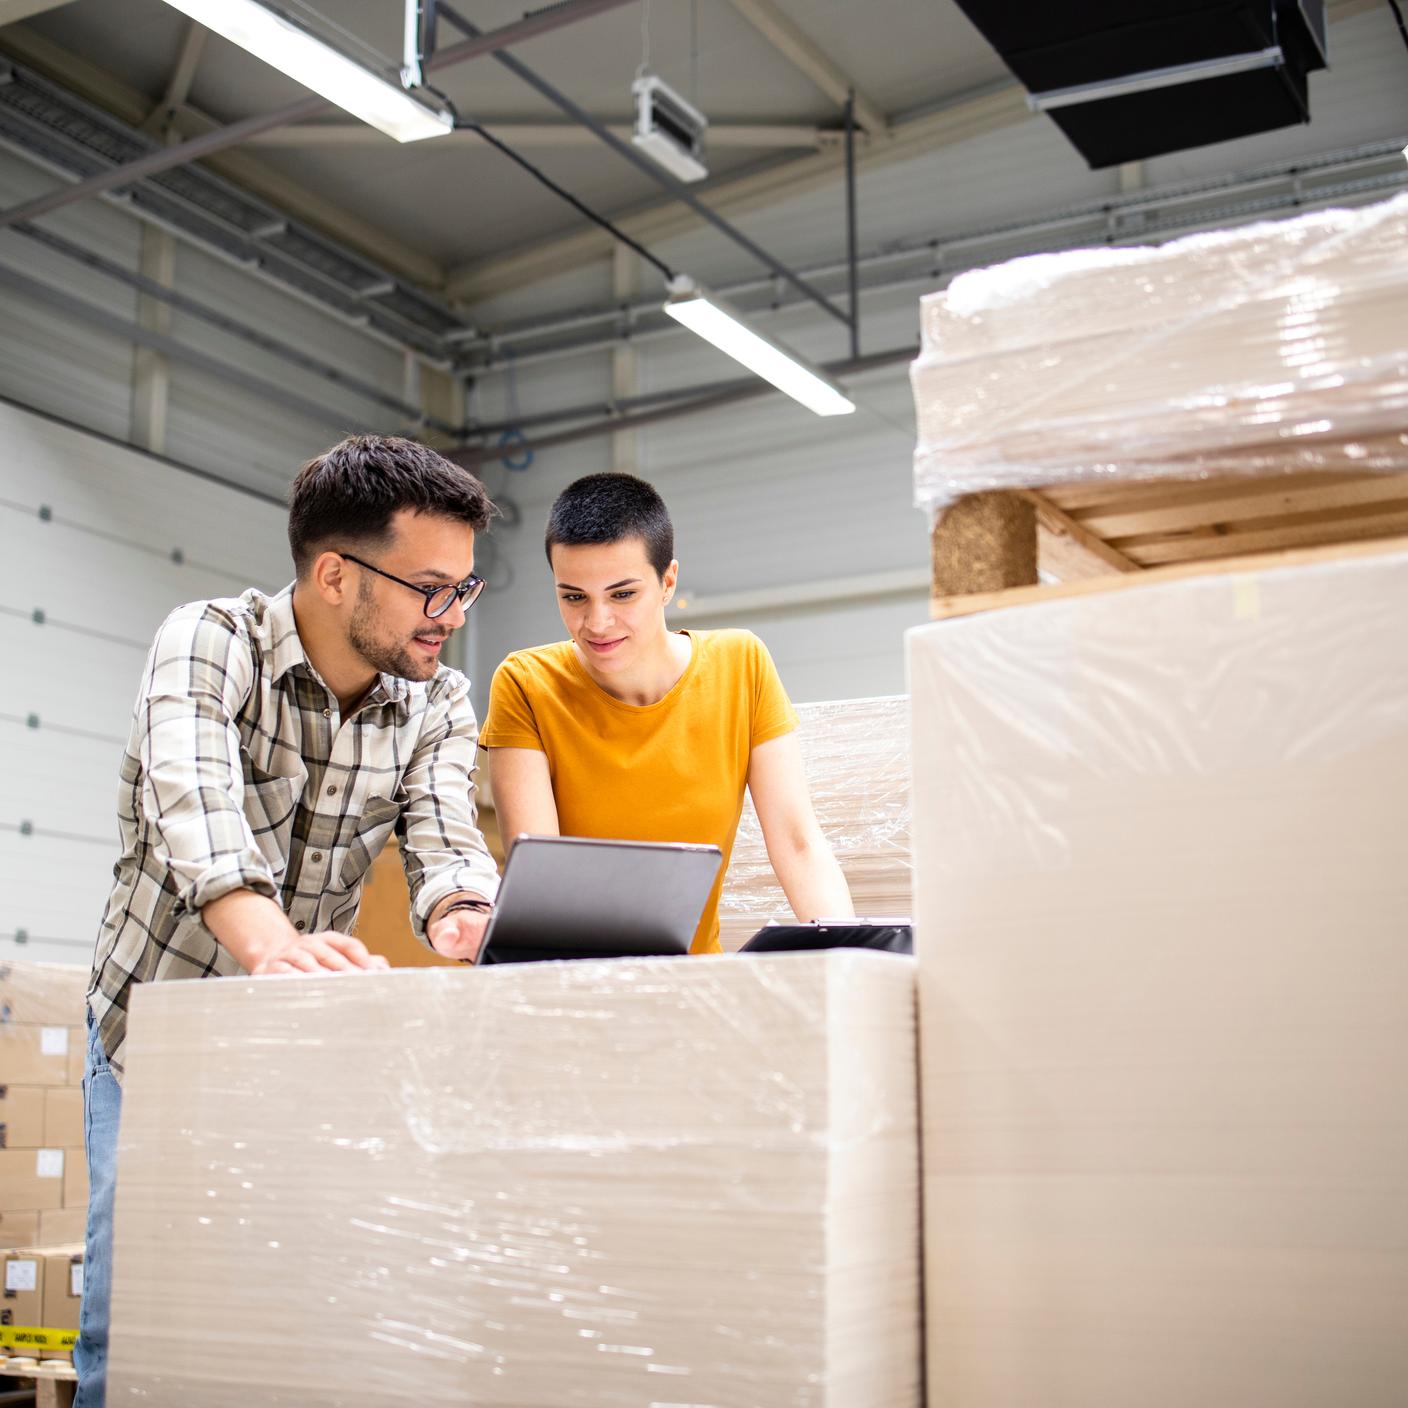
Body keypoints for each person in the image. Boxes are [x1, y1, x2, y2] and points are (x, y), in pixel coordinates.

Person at [77, 436, 501, 1407]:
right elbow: (194, 805)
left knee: (275, 1297)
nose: (452, 616)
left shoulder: (433, 700)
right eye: (431, 587)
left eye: (466, 589)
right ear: (334, 572)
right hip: (152, 1027)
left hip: (292, 1040)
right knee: (133, 1307)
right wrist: (273, 946)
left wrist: (466, 915)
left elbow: (444, 838)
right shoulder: (209, 640)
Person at [480, 472, 852, 951]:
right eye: (573, 596)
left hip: (695, 985)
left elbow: (798, 844)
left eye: (622, 594)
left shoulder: (742, 665)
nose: (596, 622)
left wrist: (851, 959)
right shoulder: (525, 684)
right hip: (577, 987)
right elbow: (547, 886)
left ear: (667, 581)